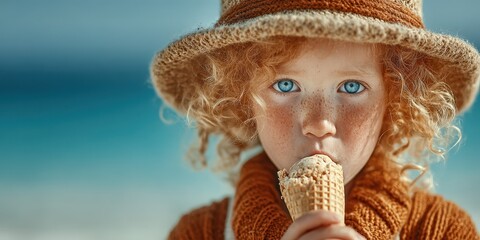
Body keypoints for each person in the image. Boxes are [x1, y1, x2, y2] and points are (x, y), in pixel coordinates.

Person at [151, 0, 480, 239]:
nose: (319, 122)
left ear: (395, 100)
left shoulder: (441, 230)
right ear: (241, 98)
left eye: (351, 87)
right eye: (285, 85)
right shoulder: (200, 233)